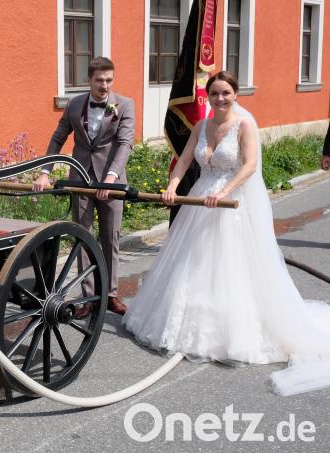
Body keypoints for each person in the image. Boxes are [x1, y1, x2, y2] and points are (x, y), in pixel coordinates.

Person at [123, 71, 330, 396]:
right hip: (200, 201)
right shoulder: (202, 127)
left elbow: (249, 166)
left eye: (226, 93)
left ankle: (232, 329)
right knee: (192, 262)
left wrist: (226, 192)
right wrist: (173, 186)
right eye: (215, 93)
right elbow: (184, 159)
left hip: (231, 203)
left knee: (229, 265)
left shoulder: (244, 125)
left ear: (235, 94)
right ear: (208, 96)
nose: (220, 98)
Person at [33, 57, 135, 316]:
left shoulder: (124, 105)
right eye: (99, 80)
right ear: (88, 79)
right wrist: (45, 172)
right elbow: (58, 138)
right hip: (80, 179)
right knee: (83, 237)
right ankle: (89, 297)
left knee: (110, 238)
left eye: (109, 80)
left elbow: (125, 144)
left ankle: (110, 295)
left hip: (111, 181)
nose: (104, 85)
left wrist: (110, 178)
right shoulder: (75, 104)